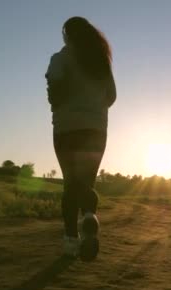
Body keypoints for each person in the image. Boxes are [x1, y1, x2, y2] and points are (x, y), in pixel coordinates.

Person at [45, 17, 116, 261]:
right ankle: (88, 217)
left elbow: (54, 93)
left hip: (66, 129)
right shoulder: (101, 62)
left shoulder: (60, 59)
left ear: (67, 35)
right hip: (96, 130)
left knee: (70, 184)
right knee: (86, 183)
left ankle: (71, 240)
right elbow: (112, 97)